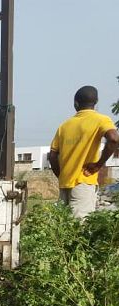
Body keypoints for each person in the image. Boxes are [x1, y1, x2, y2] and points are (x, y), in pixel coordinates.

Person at [48, 86, 119, 219]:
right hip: (84, 182)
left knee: (63, 227)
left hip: (65, 183)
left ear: (75, 103)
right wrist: (98, 165)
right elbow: (114, 139)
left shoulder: (64, 126)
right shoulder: (101, 120)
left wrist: (61, 175)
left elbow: (52, 156)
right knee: (80, 230)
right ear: (96, 101)